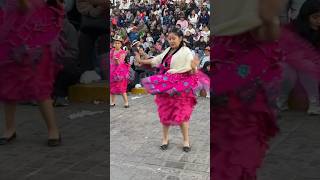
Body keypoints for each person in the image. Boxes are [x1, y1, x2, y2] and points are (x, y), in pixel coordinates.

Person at [212, 0, 285, 179]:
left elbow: (268, 29)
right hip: (223, 65)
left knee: (235, 156)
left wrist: (267, 18)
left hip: (245, 78)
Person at [0, 0, 64, 146]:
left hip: (37, 41)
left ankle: (53, 130)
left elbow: (28, 7)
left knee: (40, 86)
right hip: (11, 39)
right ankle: (10, 129)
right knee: (9, 85)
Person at [136, 28, 200, 152]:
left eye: (173, 38)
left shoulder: (186, 51)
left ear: (180, 39)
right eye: (169, 39)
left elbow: (191, 68)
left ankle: (186, 141)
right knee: (165, 113)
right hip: (166, 86)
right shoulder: (168, 51)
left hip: (181, 88)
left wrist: (192, 68)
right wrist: (141, 61)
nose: (171, 41)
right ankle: (165, 139)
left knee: (182, 115)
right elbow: (156, 60)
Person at [278, 0, 320, 115]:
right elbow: (286, 51)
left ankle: (315, 103)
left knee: (308, 67)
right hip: (292, 63)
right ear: (306, 17)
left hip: (313, 66)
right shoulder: (293, 28)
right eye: (315, 17)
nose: (319, 21)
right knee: (287, 70)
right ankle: (281, 100)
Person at [110, 35, 130, 108]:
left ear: (121, 44)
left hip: (120, 71)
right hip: (112, 71)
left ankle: (126, 102)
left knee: (122, 88)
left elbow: (120, 63)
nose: (117, 44)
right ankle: (112, 102)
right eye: (116, 43)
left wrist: (116, 60)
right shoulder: (112, 51)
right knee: (112, 87)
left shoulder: (123, 52)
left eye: (118, 43)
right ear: (113, 44)